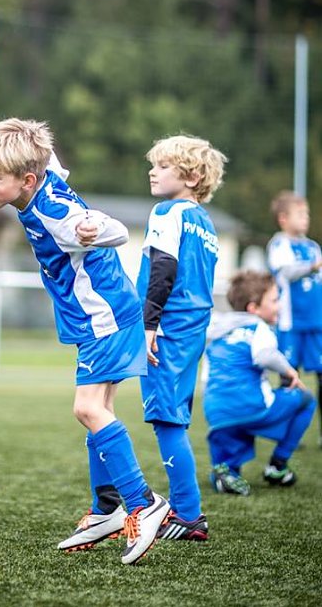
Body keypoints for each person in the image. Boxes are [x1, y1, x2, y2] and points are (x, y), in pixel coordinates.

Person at [0, 118, 169, 566]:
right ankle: (106, 509)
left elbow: (118, 231)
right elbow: (47, 158)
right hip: (104, 316)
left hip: (103, 318)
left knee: (87, 409)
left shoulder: (56, 213)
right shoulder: (42, 179)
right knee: (101, 410)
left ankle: (143, 503)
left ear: (24, 180)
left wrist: (92, 229)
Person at [136, 134, 227, 542]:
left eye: (163, 165)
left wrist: (149, 324)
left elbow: (164, 267)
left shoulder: (166, 211)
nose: (152, 171)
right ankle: (112, 501)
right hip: (193, 329)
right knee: (173, 417)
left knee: (166, 419)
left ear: (190, 176)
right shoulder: (206, 223)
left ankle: (189, 514)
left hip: (169, 327)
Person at [203, 270, 316, 494]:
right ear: (253, 308)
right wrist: (290, 371)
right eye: (274, 300)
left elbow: (206, 380)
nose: (280, 305)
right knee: (306, 400)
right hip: (252, 406)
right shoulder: (257, 327)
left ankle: (226, 472)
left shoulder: (217, 336)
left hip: (216, 413)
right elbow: (265, 356)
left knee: (235, 429)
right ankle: (278, 464)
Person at [266, 191, 322, 445]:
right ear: (283, 219)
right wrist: (312, 266)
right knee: (289, 375)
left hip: (316, 324)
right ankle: (288, 433)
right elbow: (285, 272)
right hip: (290, 324)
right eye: (301, 214)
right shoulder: (279, 244)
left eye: (307, 214)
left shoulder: (313, 247)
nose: (306, 218)